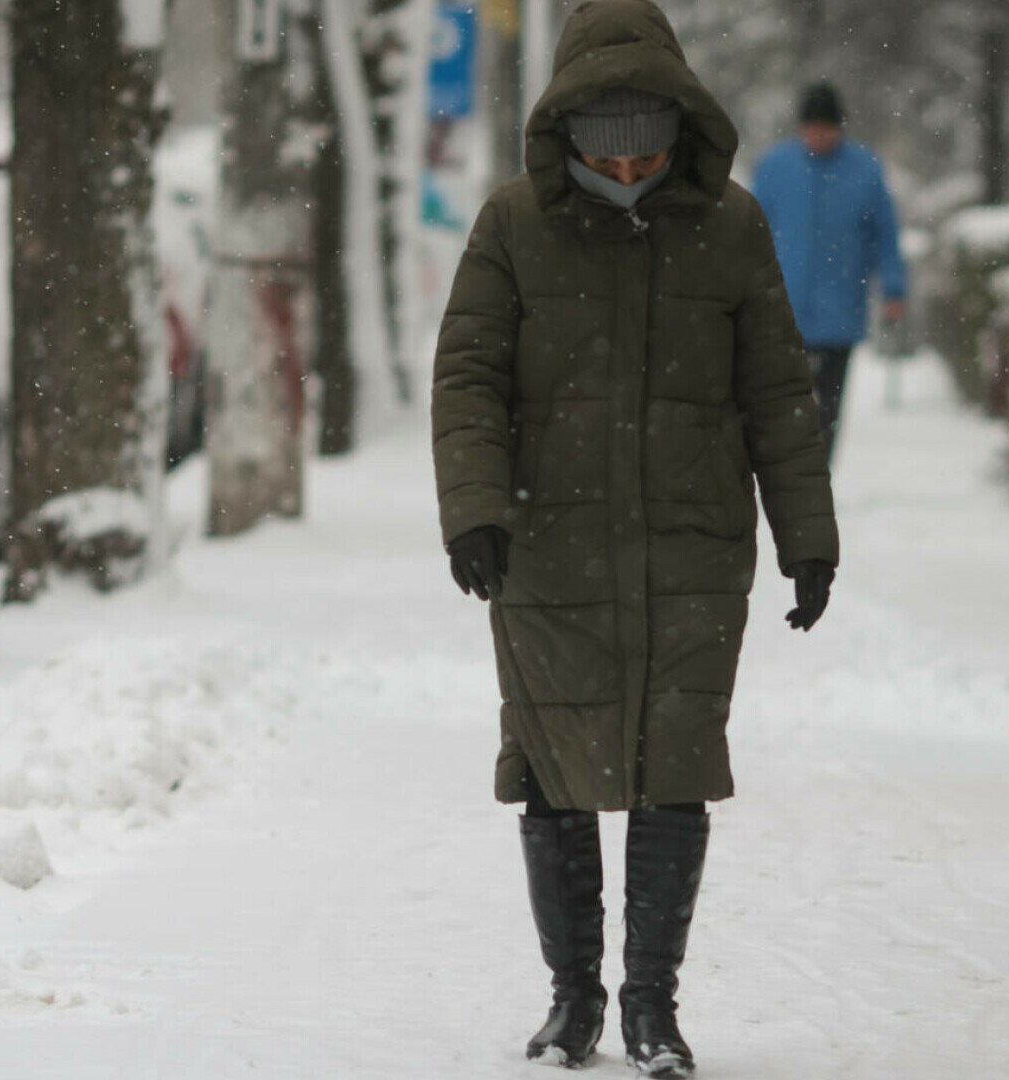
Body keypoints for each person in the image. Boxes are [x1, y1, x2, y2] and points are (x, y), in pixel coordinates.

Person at [430, 2, 839, 1077]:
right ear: (568, 135)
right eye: (607, 148)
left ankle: (653, 1006)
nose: (630, 167)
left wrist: (809, 537)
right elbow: (467, 375)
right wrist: (473, 507)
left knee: (677, 769)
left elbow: (778, 394)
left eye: (649, 144)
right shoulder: (512, 225)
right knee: (554, 772)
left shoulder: (733, 228)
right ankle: (574, 1004)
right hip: (544, 545)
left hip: (693, 549)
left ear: (681, 123)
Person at [750, 81, 909, 465]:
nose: (819, 136)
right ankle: (787, 471)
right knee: (784, 402)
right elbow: (750, 232)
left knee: (828, 406)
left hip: (840, 309)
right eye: (813, 128)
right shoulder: (774, 167)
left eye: (827, 128)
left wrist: (894, 287)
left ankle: (819, 474)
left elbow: (884, 235)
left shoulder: (864, 169)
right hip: (782, 310)